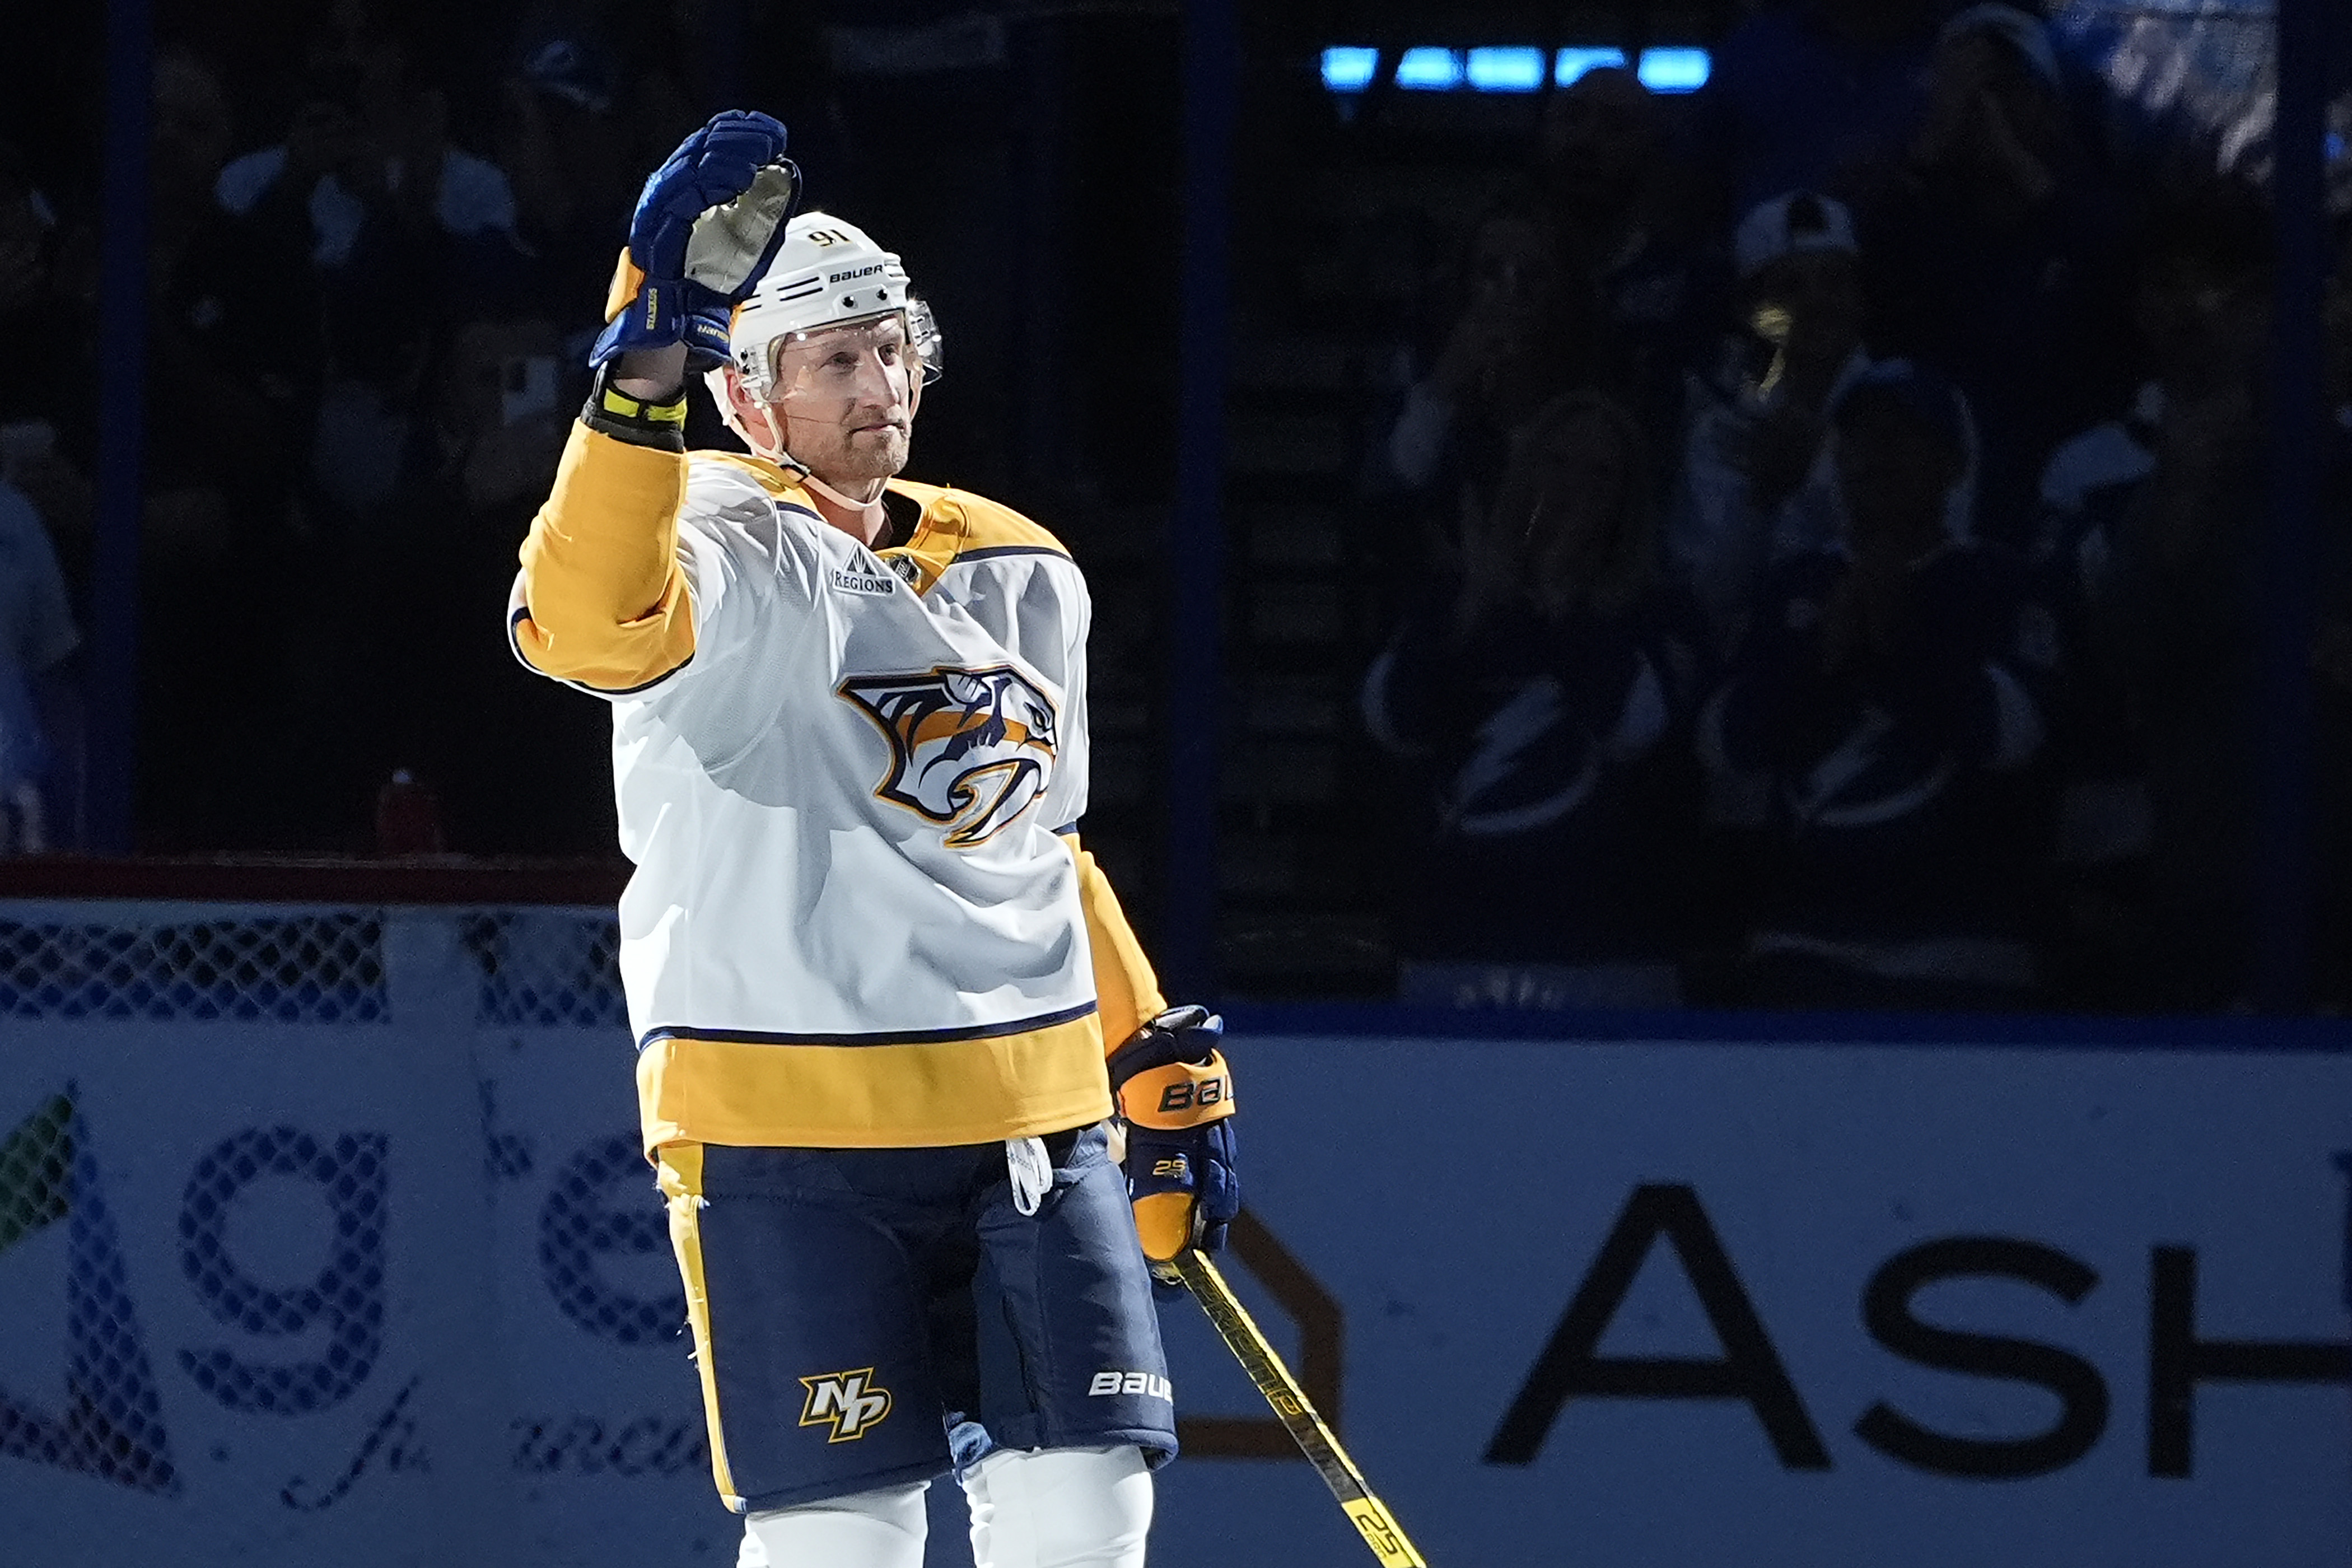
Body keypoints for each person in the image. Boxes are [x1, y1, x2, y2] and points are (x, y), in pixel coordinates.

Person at [507, 111, 1237, 1568]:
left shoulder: (1023, 565)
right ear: (748, 395)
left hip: (1030, 1117)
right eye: (834, 357)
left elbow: (1047, 840)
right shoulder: (713, 533)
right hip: (792, 1131)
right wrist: (641, 367)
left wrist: (1140, 1035)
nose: (880, 382)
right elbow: (584, 620)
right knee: (842, 1536)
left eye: (893, 346)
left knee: (1087, 1512)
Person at [1698, 361, 2061, 1009]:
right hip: (1804, 951)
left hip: (1966, 957)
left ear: (1951, 464)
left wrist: (1902, 638)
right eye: (1860, 439)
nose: (1878, 455)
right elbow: (1725, 743)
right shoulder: (1796, 583)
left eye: (1903, 436)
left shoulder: (2003, 581)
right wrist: (1819, 655)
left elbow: (2012, 737)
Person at [1361, 390, 1705, 1007]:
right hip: (1454, 953)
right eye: (1556, 463)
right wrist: (1470, 615)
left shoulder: (1657, 613)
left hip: (1607, 962)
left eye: (1599, 473)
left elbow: (1635, 728)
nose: (1573, 488)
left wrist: (1566, 609)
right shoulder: (1457, 603)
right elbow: (1390, 719)